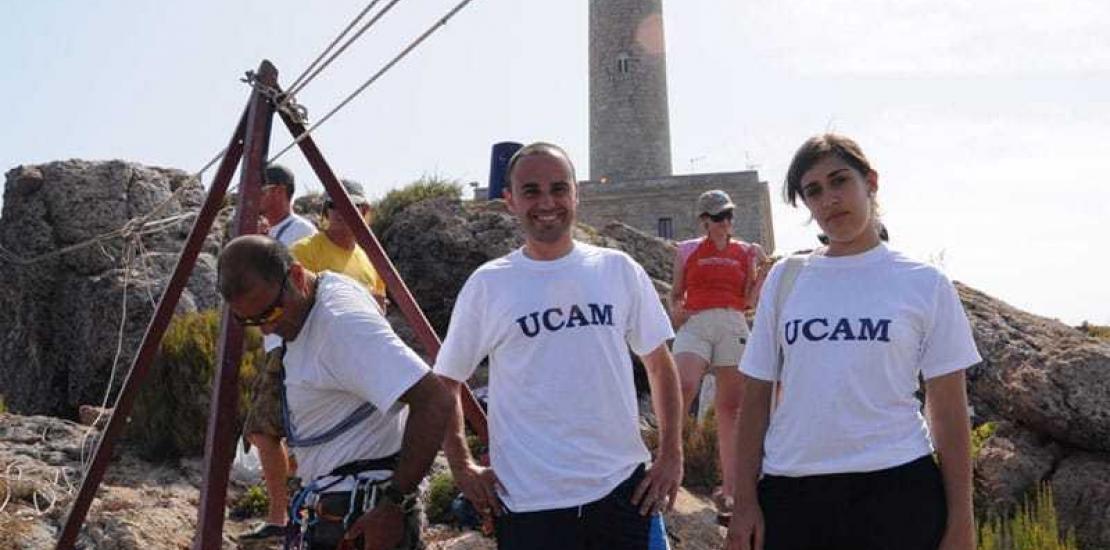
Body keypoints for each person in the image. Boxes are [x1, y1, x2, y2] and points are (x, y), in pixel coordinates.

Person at [726, 134, 979, 550]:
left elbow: (949, 411)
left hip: (897, 490)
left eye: (840, 181)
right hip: (792, 493)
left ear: (870, 182)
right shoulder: (787, 278)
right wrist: (744, 503)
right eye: (814, 191)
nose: (830, 199)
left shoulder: (923, 283)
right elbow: (755, 397)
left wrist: (961, 521)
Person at [433, 142, 684, 550]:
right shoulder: (488, 284)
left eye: (558, 188)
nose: (546, 202)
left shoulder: (617, 269)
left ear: (576, 193)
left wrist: (672, 454)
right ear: (510, 200)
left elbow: (659, 364)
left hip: (623, 494)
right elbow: (445, 382)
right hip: (530, 504)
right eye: (531, 191)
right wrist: (461, 464)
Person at [219, 235, 452, 550]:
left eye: (270, 314)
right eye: (248, 320)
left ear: (298, 277)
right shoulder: (324, 289)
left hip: (361, 515)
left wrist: (393, 504)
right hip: (339, 505)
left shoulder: (342, 326)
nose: (265, 329)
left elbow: (433, 399)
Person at [668, 189, 765, 518]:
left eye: (730, 215)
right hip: (696, 322)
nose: (728, 222)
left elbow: (749, 299)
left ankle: (731, 489)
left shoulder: (746, 252)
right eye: (721, 216)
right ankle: (667, 461)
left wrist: (762, 273)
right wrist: (676, 310)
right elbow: (675, 293)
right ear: (705, 221)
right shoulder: (686, 249)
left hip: (733, 322)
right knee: (682, 386)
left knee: (730, 407)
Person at [241, 163, 320, 540]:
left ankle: (280, 518)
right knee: (286, 433)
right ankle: (296, 510)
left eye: (259, 188)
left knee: (262, 429)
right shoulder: (272, 232)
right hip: (278, 344)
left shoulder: (300, 232)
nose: (253, 196)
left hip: (290, 344)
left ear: (276, 191)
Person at [290, 179, 388, 311]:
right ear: (326, 210)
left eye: (351, 204)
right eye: (334, 204)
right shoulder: (302, 251)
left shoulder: (372, 261)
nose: (341, 210)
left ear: (364, 211)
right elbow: (297, 309)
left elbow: (380, 310)